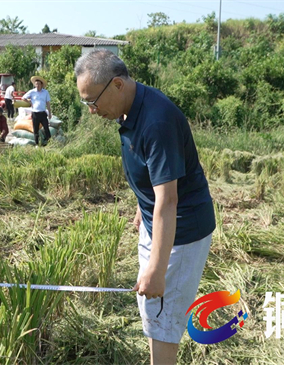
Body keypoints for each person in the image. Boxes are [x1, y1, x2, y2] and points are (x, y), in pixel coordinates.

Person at [74, 49, 215, 365]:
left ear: (118, 85)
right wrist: (143, 205)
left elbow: (169, 199)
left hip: (181, 231)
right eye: (86, 103)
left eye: (93, 101)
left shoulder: (156, 121)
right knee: (153, 310)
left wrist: (156, 267)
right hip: (158, 222)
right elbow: (156, 176)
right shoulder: (130, 109)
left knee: (164, 318)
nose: (92, 110)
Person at [22, 76, 52, 146]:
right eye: (36, 84)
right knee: (35, 130)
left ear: (41, 85)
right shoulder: (32, 92)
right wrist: (30, 102)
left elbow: (48, 103)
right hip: (35, 113)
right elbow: (23, 98)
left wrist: (50, 113)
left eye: (39, 84)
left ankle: (50, 142)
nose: (37, 85)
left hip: (43, 113)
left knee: (46, 128)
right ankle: (37, 144)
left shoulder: (45, 92)